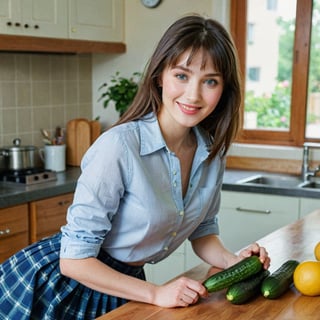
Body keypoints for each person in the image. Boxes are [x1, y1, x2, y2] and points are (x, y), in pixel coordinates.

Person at [0, 14, 270, 320]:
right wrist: (157, 293)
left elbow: (203, 231)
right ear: (159, 76)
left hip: (124, 287)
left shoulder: (211, 153)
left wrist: (233, 260)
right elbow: (73, 261)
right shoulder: (119, 146)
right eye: (181, 75)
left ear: (224, 90)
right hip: (59, 288)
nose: (193, 95)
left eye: (210, 81)